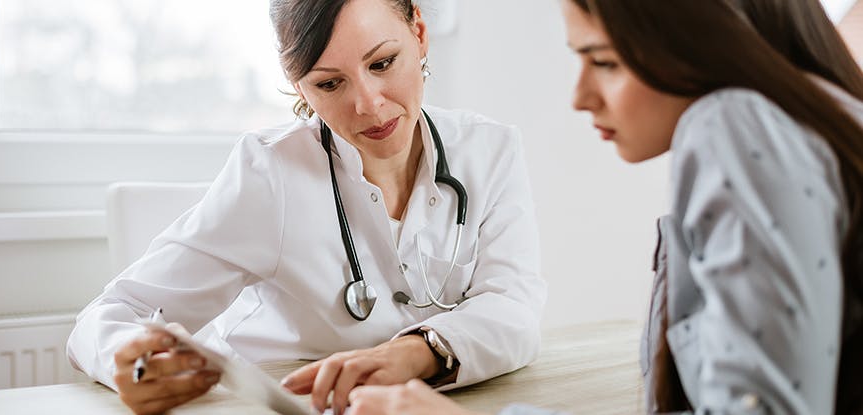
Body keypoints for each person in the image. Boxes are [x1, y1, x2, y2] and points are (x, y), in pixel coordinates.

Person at [343, 0, 863, 414]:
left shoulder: (734, 125)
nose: (580, 95)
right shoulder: (812, 120)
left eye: (605, 61)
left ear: (702, 40)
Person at [65, 0, 546, 414]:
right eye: (330, 84)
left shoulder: (491, 150)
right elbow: (111, 313)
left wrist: (414, 353)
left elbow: (514, 305)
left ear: (419, 34)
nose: (369, 105)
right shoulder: (269, 173)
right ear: (299, 87)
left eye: (382, 63)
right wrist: (124, 358)